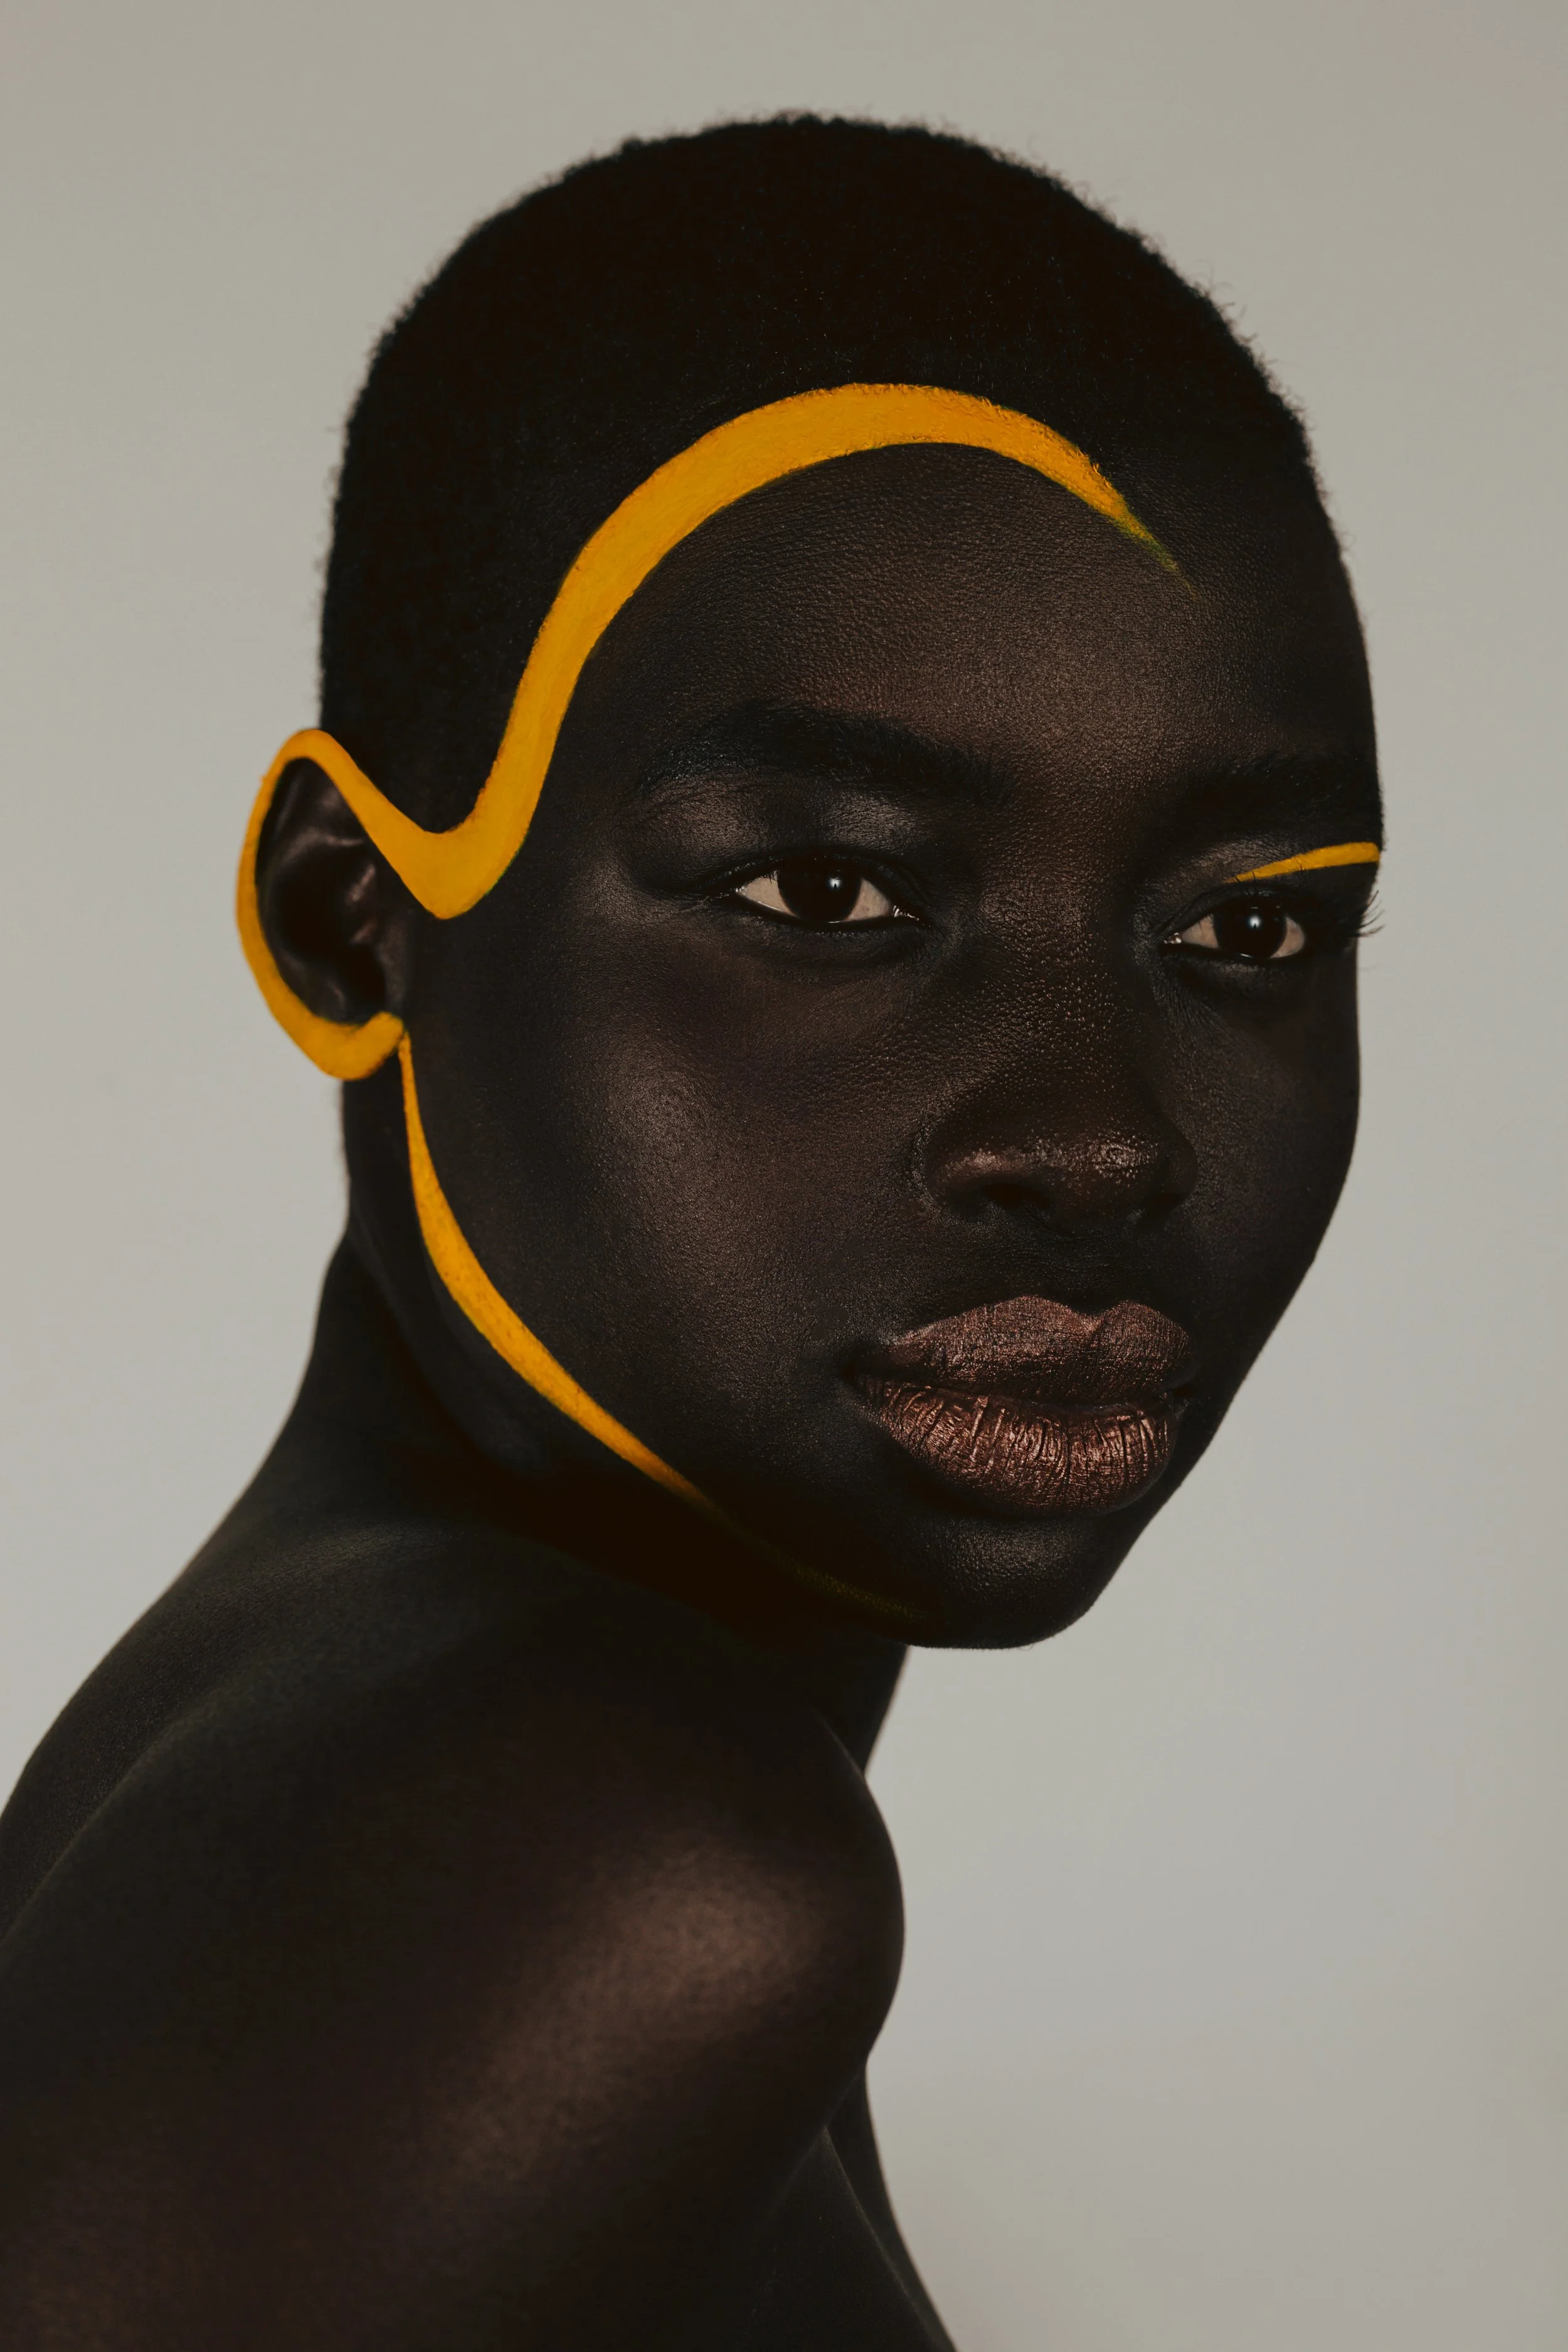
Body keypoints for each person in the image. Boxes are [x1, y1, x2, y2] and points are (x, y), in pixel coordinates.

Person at [0, 117, 1382, 2349]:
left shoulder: (355, 1759)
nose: (1097, 1137)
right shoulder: (613, 1850)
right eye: (830, 893)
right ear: (352, 919)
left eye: (1243, 926)